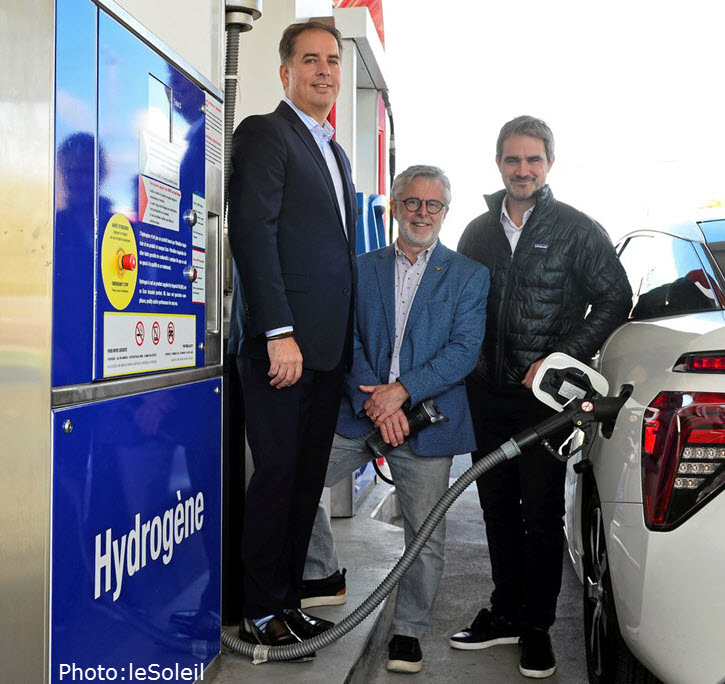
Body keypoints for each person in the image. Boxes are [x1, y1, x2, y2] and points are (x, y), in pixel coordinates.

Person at [452, 116, 632, 678]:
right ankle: (504, 612)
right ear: (498, 163)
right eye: (512, 160)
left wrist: (558, 360)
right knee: (496, 508)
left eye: (533, 160)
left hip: (543, 405)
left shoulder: (577, 230)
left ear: (549, 163)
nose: (522, 170)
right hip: (486, 394)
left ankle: (537, 627)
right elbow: (461, 306)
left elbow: (614, 298)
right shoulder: (477, 232)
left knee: (542, 516)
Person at [302, 165, 490, 673]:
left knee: (424, 535)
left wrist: (402, 393)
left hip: (429, 419)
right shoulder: (360, 268)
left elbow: (464, 351)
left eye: (433, 205)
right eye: (412, 202)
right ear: (394, 207)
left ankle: (408, 633)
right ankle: (321, 574)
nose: (422, 213)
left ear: (445, 212)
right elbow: (348, 340)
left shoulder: (470, 276)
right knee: (297, 482)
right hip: (363, 410)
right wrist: (377, 403)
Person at [226, 21, 358, 653]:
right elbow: (254, 232)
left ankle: (287, 603)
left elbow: (337, 256)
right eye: (311, 60)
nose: (325, 71)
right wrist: (278, 331)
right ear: (285, 72)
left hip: (325, 354)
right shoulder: (265, 133)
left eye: (332, 61)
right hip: (284, 350)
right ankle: (257, 610)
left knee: (307, 483)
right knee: (277, 476)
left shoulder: (335, 151)